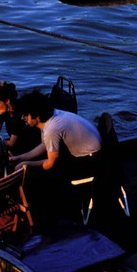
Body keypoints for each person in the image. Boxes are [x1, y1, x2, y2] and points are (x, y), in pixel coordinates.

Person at [13, 90, 102, 219]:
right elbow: (45, 145)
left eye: (25, 115)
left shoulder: (51, 129)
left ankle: (50, 213)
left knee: (41, 176)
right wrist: (20, 158)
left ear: (36, 116)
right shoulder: (52, 117)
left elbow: (50, 164)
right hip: (93, 154)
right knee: (40, 167)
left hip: (91, 163)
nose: (23, 118)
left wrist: (27, 165)